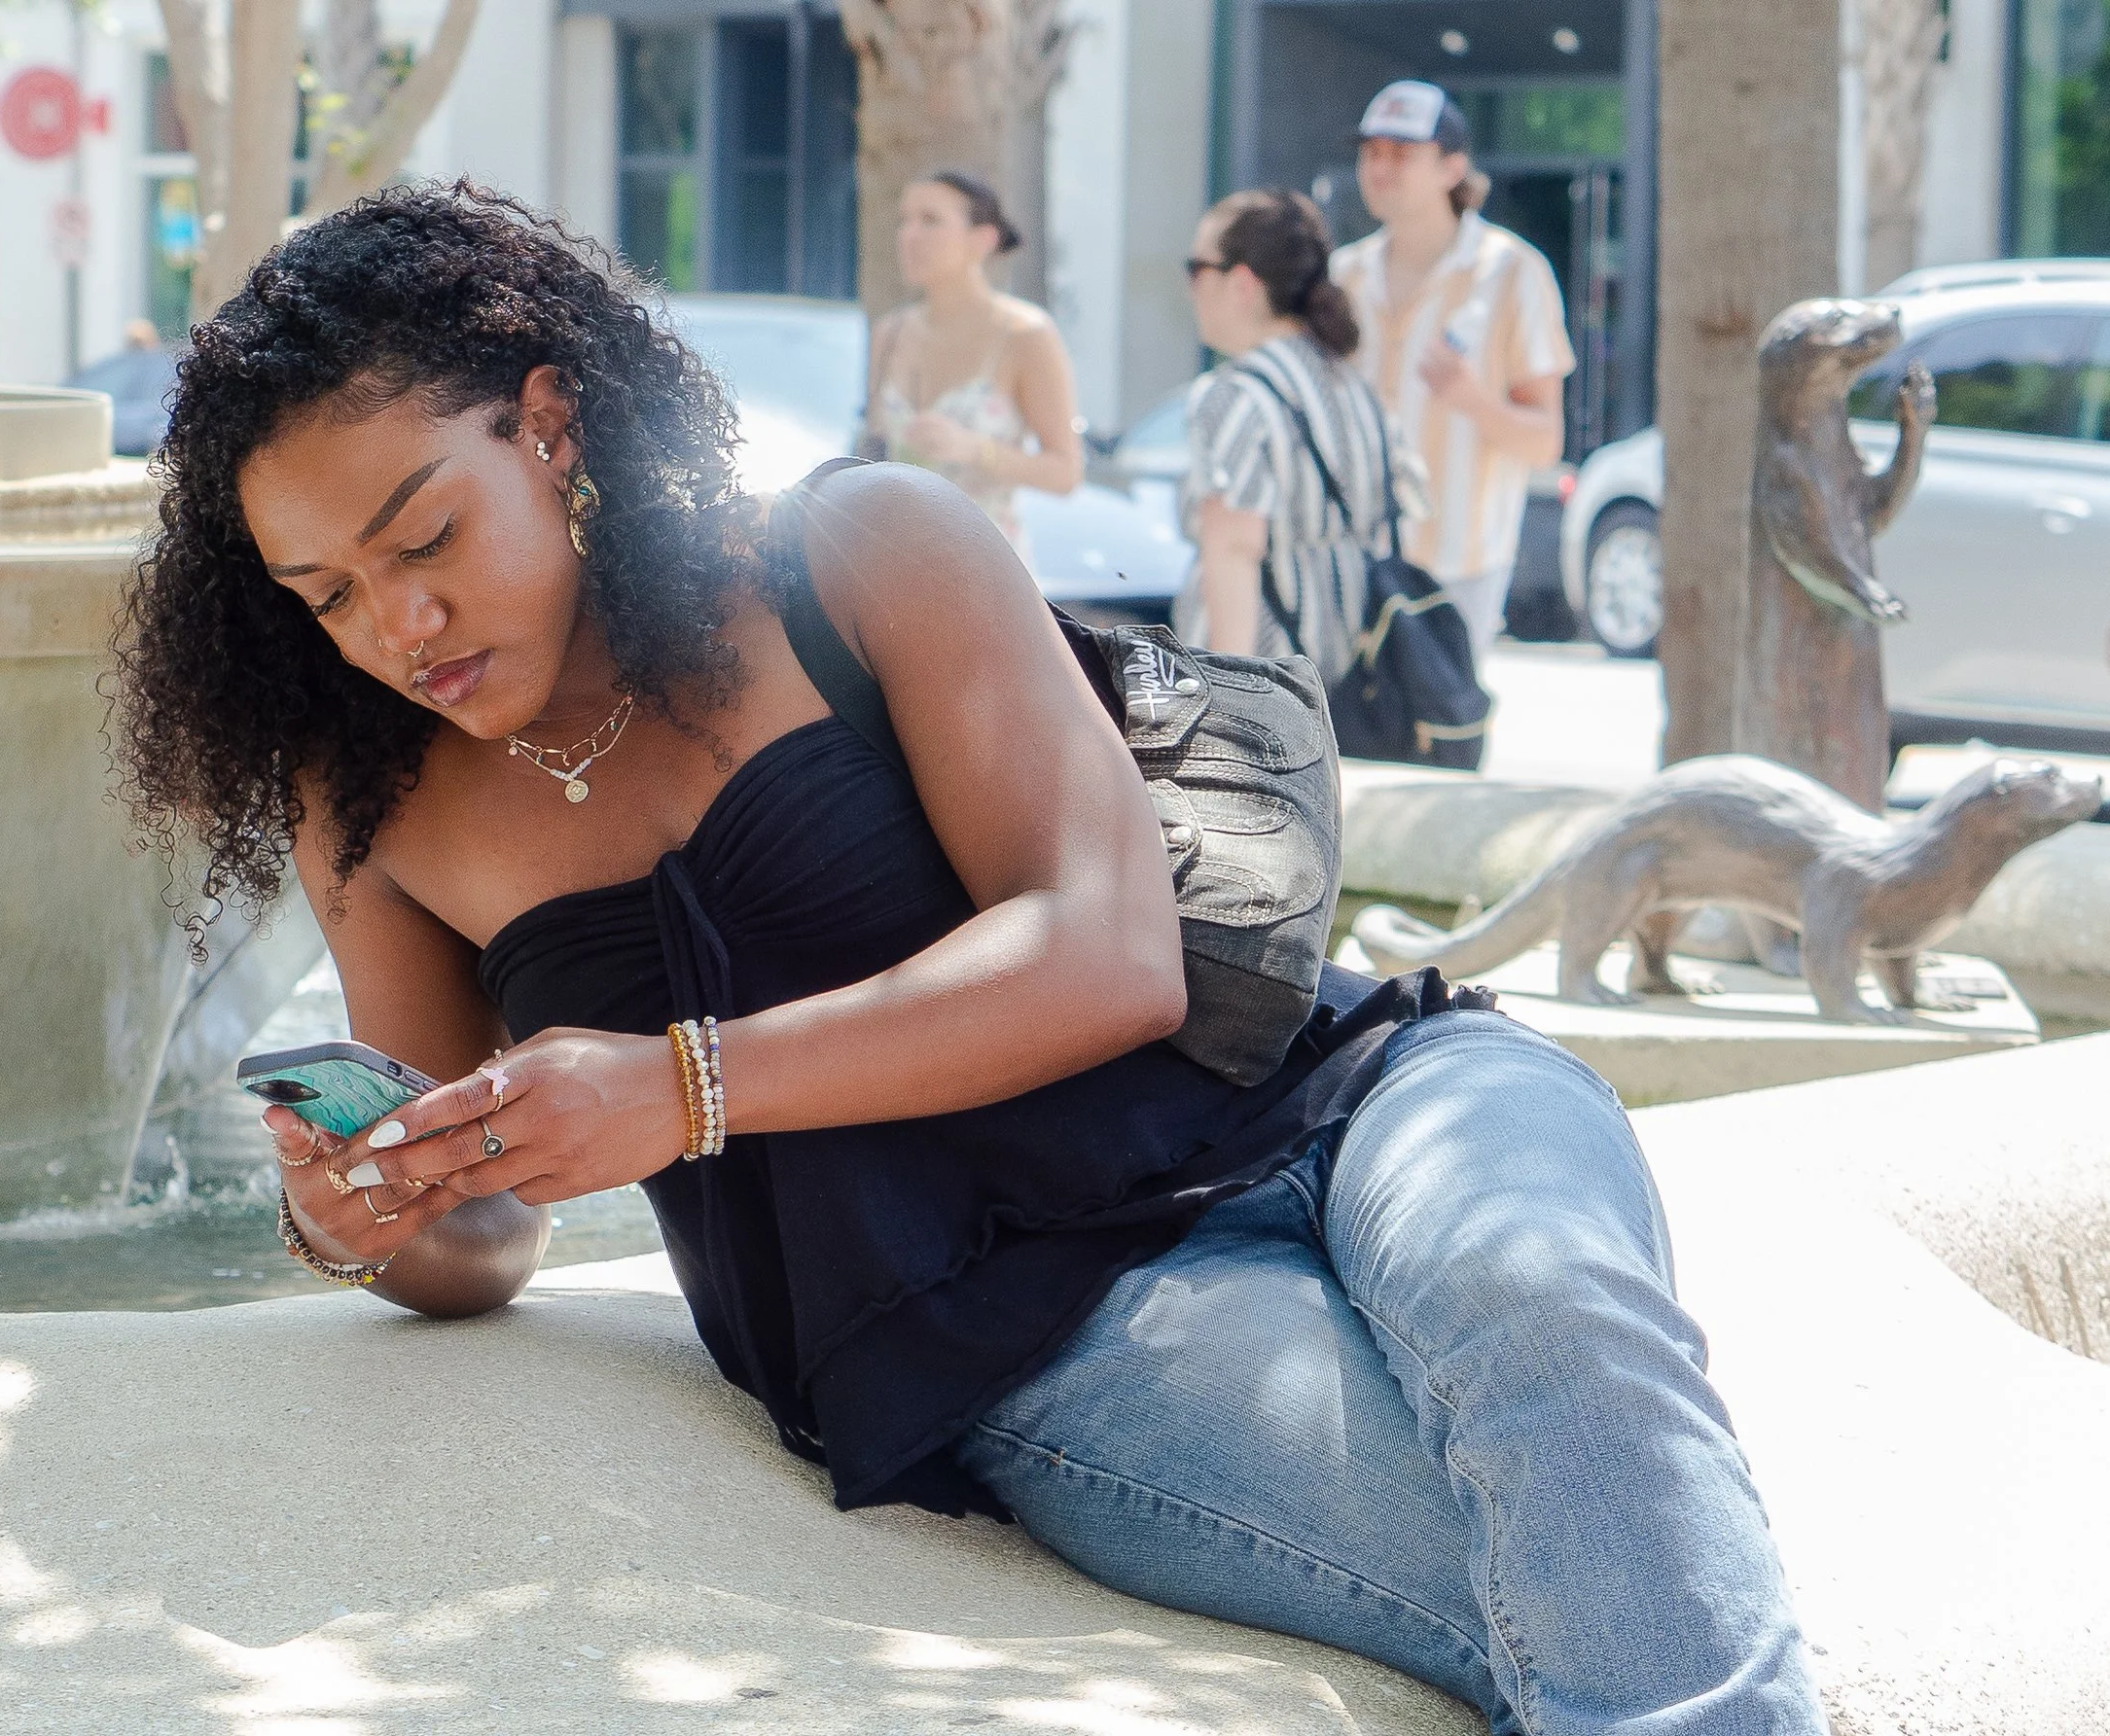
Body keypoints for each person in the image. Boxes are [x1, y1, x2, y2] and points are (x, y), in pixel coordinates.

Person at [112, 181, 1829, 1734]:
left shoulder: (856, 554)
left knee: (1553, 1321)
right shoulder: (372, 800)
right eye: (326, 593)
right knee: (1543, 1562)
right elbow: (478, 1229)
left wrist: (686, 1090)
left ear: (549, 425)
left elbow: (1109, 954)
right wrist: (367, 1216)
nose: (395, 627)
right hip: (1036, 1330)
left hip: (1356, 1095)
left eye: (425, 540)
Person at [1330, 81, 1570, 659]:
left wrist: (1471, 399)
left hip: (1458, 564)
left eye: (1401, 153)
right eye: (1372, 152)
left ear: (1452, 167)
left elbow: (1545, 442)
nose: (1380, 168)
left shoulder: (1513, 272)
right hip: (1346, 557)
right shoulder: (1343, 275)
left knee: (1441, 742)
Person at [1180, 187, 1395, 679]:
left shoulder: (1233, 396)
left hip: (1264, 684)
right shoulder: (1351, 385)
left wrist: (1225, 699)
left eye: (1196, 269)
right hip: (1335, 679)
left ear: (1241, 283)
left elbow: (1235, 549)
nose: (1191, 288)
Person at [863, 169, 1083, 557]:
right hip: (894, 562)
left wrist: (974, 448)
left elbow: (1066, 473)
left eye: (930, 220)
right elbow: (874, 443)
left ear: (983, 240)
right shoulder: (890, 334)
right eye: (904, 221)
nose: (909, 235)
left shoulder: (1024, 335)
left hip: (987, 566)